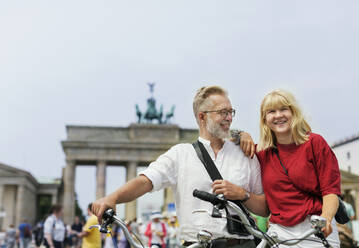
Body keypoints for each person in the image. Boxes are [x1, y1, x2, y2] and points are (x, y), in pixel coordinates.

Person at [92, 85, 268, 248]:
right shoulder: (180, 154)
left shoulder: (246, 153)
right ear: (202, 116)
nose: (229, 118)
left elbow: (265, 208)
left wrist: (242, 194)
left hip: (240, 244)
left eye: (231, 112)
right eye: (222, 112)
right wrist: (112, 198)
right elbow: (146, 181)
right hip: (195, 244)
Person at [256, 89, 341, 247]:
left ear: (293, 112)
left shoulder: (314, 143)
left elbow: (330, 191)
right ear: (264, 119)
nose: (278, 115)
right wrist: (240, 135)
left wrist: (326, 219)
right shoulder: (261, 153)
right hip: (280, 231)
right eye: (271, 111)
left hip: (315, 226)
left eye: (283, 109)